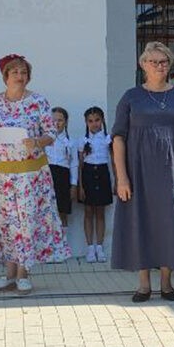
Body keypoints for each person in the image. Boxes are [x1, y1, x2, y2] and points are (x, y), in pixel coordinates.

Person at [0, 54, 70, 295]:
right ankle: (8, 274)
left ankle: (23, 273)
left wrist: (38, 141)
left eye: (24, 72)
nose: (20, 76)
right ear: (5, 76)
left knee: (26, 222)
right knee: (5, 224)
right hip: (0, 176)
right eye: (15, 72)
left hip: (30, 175)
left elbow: (51, 131)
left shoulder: (38, 102)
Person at [111, 42, 174, 302]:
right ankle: (143, 285)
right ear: (143, 65)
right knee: (140, 223)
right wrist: (122, 177)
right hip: (137, 173)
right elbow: (118, 138)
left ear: (170, 65)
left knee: (169, 224)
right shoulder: (130, 97)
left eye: (164, 62)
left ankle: (167, 283)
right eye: (153, 62)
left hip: (172, 172)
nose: (159, 66)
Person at [77, 107, 114, 263]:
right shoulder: (83, 141)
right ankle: (90, 248)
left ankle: (100, 246)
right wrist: (80, 186)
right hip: (88, 175)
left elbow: (114, 162)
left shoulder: (108, 139)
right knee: (88, 211)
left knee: (100, 212)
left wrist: (117, 180)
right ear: (86, 122)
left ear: (102, 120)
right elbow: (79, 165)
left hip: (103, 173)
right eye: (90, 121)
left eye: (97, 120)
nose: (94, 124)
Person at [45, 107, 78, 230]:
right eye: (53, 120)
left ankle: (62, 246)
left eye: (60, 120)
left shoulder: (71, 142)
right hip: (47, 176)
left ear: (66, 122)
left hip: (63, 177)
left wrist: (73, 185)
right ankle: (48, 247)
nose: (56, 123)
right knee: (46, 213)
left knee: (62, 212)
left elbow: (74, 163)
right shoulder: (44, 140)